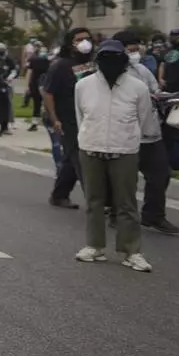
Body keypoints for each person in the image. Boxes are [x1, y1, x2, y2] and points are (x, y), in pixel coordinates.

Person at [73, 40, 153, 273]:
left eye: (115, 58)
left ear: (124, 61)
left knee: (126, 203)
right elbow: (81, 117)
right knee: (94, 201)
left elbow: (144, 120)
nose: (110, 63)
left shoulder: (138, 88)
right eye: (105, 58)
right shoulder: (83, 86)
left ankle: (131, 251)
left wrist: (128, 138)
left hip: (124, 150)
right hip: (91, 148)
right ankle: (94, 246)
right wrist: (90, 138)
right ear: (98, 61)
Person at [113, 30, 179, 235]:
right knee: (125, 178)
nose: (135, 51)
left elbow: (155, 90)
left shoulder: (142, 70)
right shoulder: (110, 73)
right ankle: (118, 214)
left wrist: (165, 98)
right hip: (125, 134)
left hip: (151, 133)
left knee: (161, 174)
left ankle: (153, 215)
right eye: (130, 47)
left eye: (137, 46)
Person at [42, 27, 95, 210]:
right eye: (79, 39)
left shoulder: (93, 63)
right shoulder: (60, 65)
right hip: (67, 119)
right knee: (81, 158)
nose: (84, 43)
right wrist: (54, 118)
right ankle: (96, 201)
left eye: (87, 39)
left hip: (88, 117)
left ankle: (59, 195)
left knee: (70, 160)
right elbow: (48, 93)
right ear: (70, 43)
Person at [25, 44, 51, 130]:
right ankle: (48, 120)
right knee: (47, 103)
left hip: (35, 83)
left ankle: (35, 123)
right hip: (46, 84)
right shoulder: (50, 61)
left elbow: (29, 72)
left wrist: (28, 85)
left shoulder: (33, 60)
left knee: (37, 104)